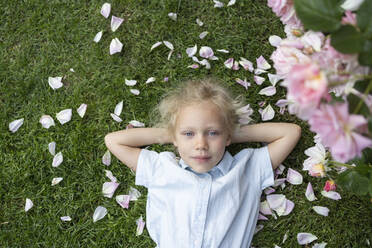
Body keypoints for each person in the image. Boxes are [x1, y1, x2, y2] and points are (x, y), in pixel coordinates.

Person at [104, 78, 301, 248]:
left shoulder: (247, 169)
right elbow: (114, 141)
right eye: (189, 133)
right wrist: (171, 135)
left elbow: (290, 133)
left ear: (227, 135)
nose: (201, 144)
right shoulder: (162, 169)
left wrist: (231, 133)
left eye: (212, 133)